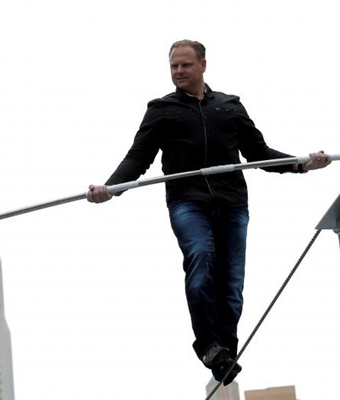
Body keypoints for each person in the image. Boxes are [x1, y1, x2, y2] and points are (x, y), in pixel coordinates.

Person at [87, 39, 331, 385]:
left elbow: (259, 153)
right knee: (201, 256)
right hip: (188, 202)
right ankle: (209, 344)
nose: (179, 72)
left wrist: (302, 165)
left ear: (203, 64)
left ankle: (224, 353)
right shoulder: (161, 110)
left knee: (231, 284)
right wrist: (110, 189)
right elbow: (137, 159)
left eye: (185, 65)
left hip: (232, 203)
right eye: (173, 67)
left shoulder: (230, 107)